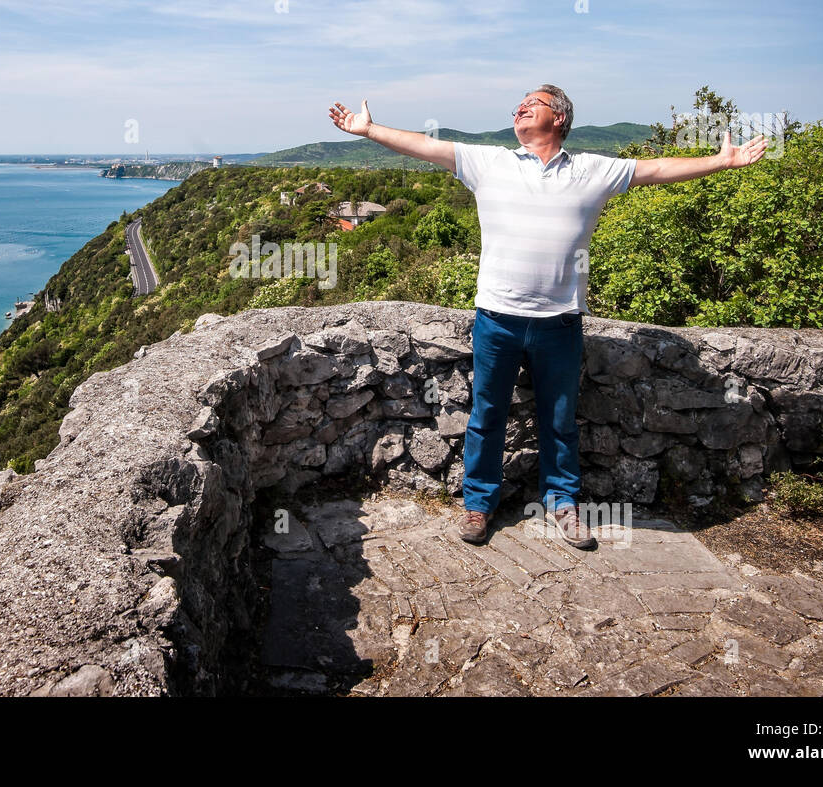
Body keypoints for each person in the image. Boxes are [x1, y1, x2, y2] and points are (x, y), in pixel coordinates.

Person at [327, 87, 767, 548]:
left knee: (559, 421)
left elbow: (657, 169)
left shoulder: (592, 169)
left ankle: (563, 504)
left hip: (560, 322)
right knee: (486, 415)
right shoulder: (490, 163)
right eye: (518, 104)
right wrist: (370, 130)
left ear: (558, 118)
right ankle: (478, 505)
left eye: (530, 103)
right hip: (497, 317)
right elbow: (426, 145)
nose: (518, 107)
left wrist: (723, 161)